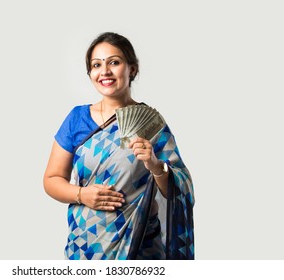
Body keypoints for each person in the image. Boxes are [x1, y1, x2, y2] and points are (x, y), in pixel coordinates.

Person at [43, 32, 194, 260]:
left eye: (114, 62)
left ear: (132, 69)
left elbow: (179, 187)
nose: (104, 71)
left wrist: (155, 165)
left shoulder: (150, 122)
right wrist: (82, 194)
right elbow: (51, 179)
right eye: (96, 65)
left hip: (140, 249)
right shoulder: (77, 119)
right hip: (85, 249)